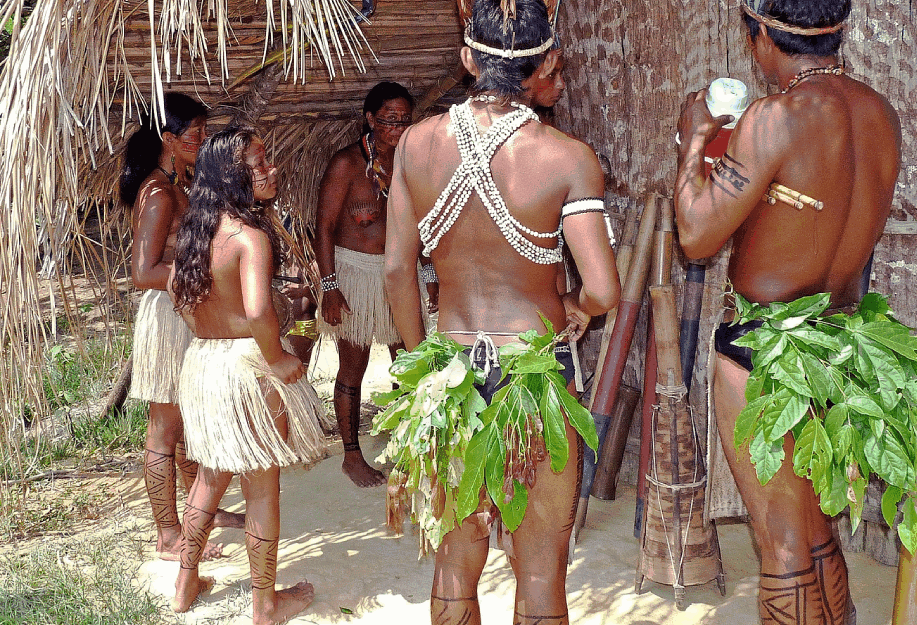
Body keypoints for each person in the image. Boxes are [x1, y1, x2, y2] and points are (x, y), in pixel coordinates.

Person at [383, 0, 620, 622]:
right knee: (539, 567)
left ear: (467, 60)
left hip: (451, 374)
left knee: (455, 562)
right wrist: (573, 305)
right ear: (545, 63)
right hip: (534, 375)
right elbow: (603, 290)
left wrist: (421, 363)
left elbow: (394, 271)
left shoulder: (415, 145)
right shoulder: (568, 158)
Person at [674, 1, 901, 623]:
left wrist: (694, 140)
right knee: (818, 530)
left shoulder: (772, 118)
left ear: (759, 38)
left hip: (764, 349)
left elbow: (695, 236)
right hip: (840, 345)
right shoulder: (880, 113)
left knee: (780, 542)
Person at [169, 126, 328, 623]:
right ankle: (265, 603)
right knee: (262, 488)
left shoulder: (195, 234)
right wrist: (278, 360)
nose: (270, 170)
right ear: (233, 176)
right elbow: (260, 311)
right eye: (259, 165)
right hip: (247, 369)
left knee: (211, 477)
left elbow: (179, 295)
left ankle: (185, 582)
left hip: (206, 364)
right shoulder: (249, 237)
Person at [119, 92, 243, 561]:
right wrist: (199, 279)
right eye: (195, 133)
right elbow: (142, 271)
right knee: (165, 430)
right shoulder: (157, 191)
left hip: (184, 311)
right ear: (168, 139)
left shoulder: (176, 183)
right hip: (167, 317)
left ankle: (199, 512)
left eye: (204, 131)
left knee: (190, 421)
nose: (202, 140)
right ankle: (169, 535)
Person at [314, 81, 434, 487]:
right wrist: (330, 286)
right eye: (388, 120)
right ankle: (351, 456)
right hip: (355, 275)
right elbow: (325, 226)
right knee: (354, 365)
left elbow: (424, 224)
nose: (397, 127)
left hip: (401, 271)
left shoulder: (411, 160)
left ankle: (412, 447)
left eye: (404, 120)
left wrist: (429, 275)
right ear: (369, 119)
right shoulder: (347, 164)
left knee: (410, 362)